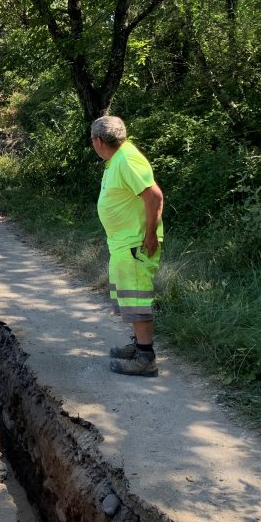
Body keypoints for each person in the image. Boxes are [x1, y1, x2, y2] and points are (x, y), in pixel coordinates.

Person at [91, 115, 164, 377]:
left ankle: (146, 358)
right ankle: (139, 347)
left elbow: (154, 195)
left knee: (136, 298)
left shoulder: (127, 159)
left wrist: (150, 235)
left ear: (98, 141)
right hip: (124, 244)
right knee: (130, 299)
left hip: (135, 244)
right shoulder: (118, 158)